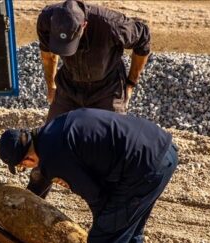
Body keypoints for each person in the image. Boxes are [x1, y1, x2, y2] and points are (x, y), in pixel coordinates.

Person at [0, 108, 178, 243]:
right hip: (163, 150)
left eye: (22, 167)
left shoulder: (53, 159)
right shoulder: (55, 126)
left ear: (27, 159)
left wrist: (104, 225)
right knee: (127, 231)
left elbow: (97, 197)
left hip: (143, 168)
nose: (28, 168)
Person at [28, 0, 151, 198]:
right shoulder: (46, 20)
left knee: (113, 150)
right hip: (69, 86)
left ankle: (113, 213)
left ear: (83, 26)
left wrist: (130, 83)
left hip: (107, 89)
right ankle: (33, 200)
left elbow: (143, 37)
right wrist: (50, 85)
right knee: (48, 143)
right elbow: (48, 55)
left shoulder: (112, 24)